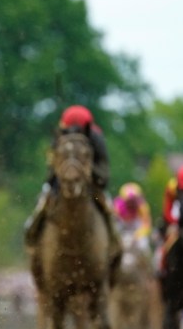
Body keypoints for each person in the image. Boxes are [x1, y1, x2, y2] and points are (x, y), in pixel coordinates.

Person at [23, 105, 121, 280]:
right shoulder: (58, 140)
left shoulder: (97, 139)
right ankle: (33, 237)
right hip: (60, 184)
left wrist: (88, 173)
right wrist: (61, 176)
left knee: (109, 209)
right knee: (41, 204)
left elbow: (104, 172)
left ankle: (115, 243)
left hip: (92, 186)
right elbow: (51, 168)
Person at [113, 182, 153, 252]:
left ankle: (146, 259)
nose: (131, 204)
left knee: (143, 244)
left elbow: (147, 225)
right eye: (129, 201)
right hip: (122, 227)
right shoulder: (117, 207)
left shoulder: (142, 207)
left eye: (133, 201)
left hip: (137, 228)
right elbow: (113, 223)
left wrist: (137, 235)